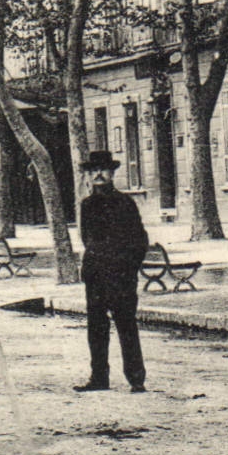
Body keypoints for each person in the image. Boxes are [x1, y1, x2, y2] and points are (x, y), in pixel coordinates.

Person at [74, 150, 149, 393]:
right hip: (96, 277)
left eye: (103, 170)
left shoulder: (125, 203)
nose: (98, 174)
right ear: (87, 175)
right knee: (96, 328)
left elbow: (140, 240)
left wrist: (128, 269)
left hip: (121, 277)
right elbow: (87, 239)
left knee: (126, 327)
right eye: (93, 170)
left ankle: (136, 379)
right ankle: (99, 378)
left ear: (112, 173)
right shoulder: (86, 206)